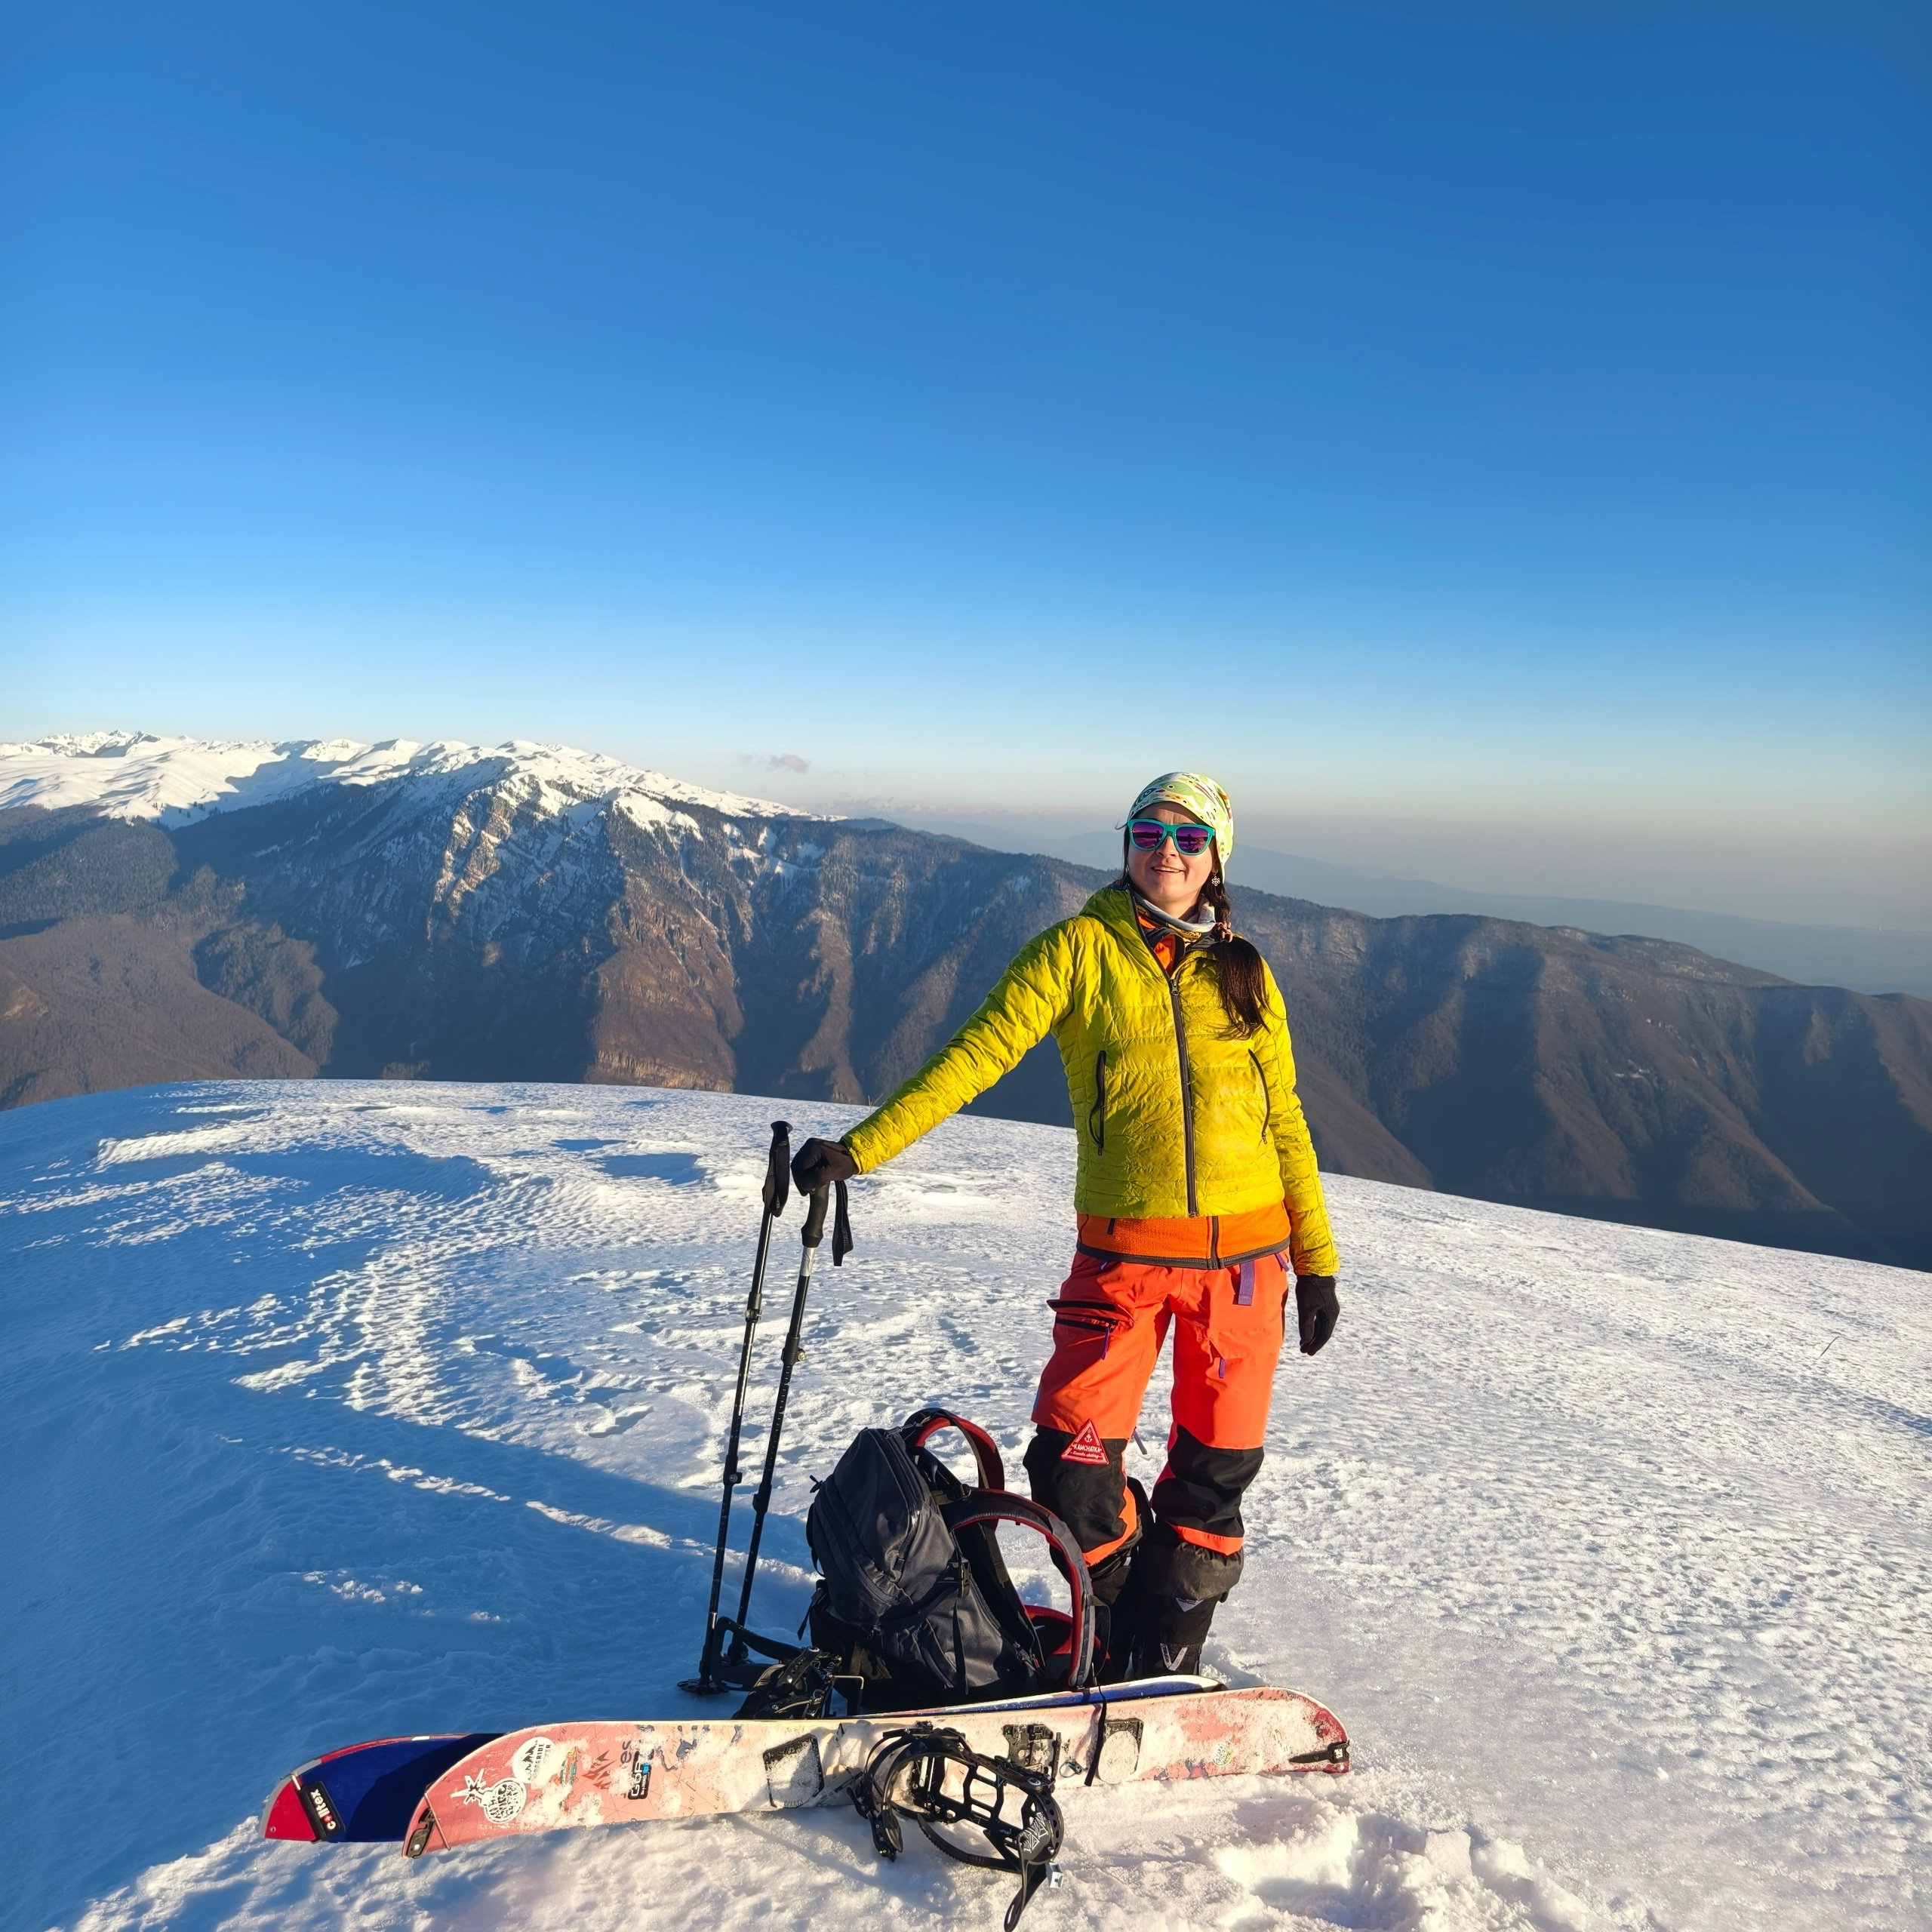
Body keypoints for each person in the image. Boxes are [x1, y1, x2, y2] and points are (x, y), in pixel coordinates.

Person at [792, 772, 1340, 1679]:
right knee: (1070, 1463)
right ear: (1124, 844)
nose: (1166, 850)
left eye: (1189, 836)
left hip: (1247, 1273)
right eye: (1147, 831)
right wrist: (860, 1150)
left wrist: (1316, 1263)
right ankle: (1119, 1608)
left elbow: (1285, 1119)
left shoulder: (1246, 970)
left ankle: (1162, 1654)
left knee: (1212, 1481)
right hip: (1121, 1261)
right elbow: (973, 1056)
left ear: (1216, 856)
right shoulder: (1076, 950)